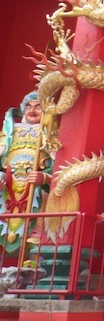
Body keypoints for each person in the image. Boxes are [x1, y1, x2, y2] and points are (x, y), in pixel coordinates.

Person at [0, 91, 51, 253]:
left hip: (36, 191)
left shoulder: (50, 135)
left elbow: (60, 165)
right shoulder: (9, 134)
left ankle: (34, 265)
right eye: (28, 106)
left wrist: (44, 177)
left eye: (38, 106)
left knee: (36, 233)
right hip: (8, 189)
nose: (32, 110)